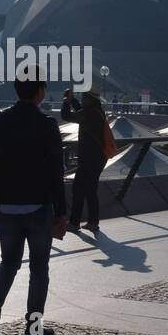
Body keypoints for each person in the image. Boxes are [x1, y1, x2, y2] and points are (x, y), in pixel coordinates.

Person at [0, 67, 68, 335]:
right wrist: (61, 211)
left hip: (7, 205)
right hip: (38, 205)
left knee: (8, 263)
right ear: (40, 91)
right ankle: (33, 328)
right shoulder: (46, 124)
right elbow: (56, 170)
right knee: (39, 269)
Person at [61, 86, 110, 233]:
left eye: (84, 97)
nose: (82, 99)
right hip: (97, 157)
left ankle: (75, 222)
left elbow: (67, 116)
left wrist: (65, 102)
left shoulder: (89, 113)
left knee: (78, 189)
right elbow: (80, 111)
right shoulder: (97, 111)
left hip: (89, 159)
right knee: (90, 190)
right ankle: (93, 222)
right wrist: (73, 100)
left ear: (90, 99)